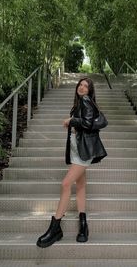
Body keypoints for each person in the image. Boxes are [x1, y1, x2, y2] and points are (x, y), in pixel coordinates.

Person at [36, 77, 107, 248]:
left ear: (89, 91)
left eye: (86, 86)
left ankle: (56, 227)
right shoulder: (78, 104)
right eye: (80, 85)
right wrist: (73, 122)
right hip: (78, 149)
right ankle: (83, 226)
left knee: (66, 184)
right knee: (80, 185)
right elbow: (84, 123)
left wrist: (71, 121)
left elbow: (88, 123)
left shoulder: (85, 100)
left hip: (84, 152)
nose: (82, 88)